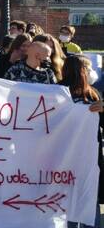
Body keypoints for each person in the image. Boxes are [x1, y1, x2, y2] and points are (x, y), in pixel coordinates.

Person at [60, 55, 103, 228]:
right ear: (81, 71)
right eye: (88, 68)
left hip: (90, 157)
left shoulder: (92, 94)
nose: (92, 72)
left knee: (88, 198)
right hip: (65, 157)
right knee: (67, 200)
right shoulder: (57, 92)